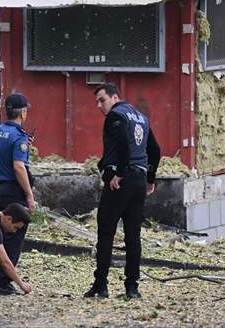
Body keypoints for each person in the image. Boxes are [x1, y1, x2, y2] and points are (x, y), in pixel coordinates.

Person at [84, 83, 161, 299]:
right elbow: (155, 150)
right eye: (97, 102)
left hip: (122, 180)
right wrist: (150, 178)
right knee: (133, 235)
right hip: (139, 180)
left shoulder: (116, 116)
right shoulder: (141, 117)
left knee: (106, 231)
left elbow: (125, 144)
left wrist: (118, 172)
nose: (100, 105)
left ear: (115, 97)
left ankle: (101, 286)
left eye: (102, 100)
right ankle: (132, 288)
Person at [0, 92, 36, 295]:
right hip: (10, 190)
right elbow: (18, 167)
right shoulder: (19, 137)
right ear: (23, 113)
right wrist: (29, 195)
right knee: (15, 234)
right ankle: (1, 281)